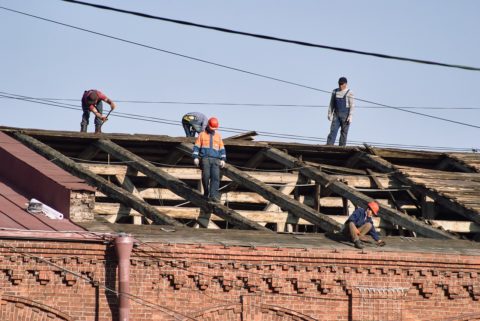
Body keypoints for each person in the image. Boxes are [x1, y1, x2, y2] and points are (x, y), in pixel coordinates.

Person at [192, 117, 226, 202]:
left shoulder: (218, 136)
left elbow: (222, 148)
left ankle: (213, 196)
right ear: (208, 126)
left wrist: (223, 159)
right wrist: (195, 157)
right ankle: (206, 192)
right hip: (205, 159)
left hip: (216, 160)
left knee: (215, 178)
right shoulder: (202, 135)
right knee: (205, 176)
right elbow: (196, 146)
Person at [326, 77, 355, 146]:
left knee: (344, 133)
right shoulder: (335, 91)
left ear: (346, 84)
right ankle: (329, 146)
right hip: (336, 115)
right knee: (333, 131)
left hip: (346, 116)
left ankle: (341, 147)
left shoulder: (350, 92)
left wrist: (350, 116)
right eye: (339, 84)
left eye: (342, 84)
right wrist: (329, 113)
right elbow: (331, 103)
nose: (340, 86)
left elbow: (352, 105)